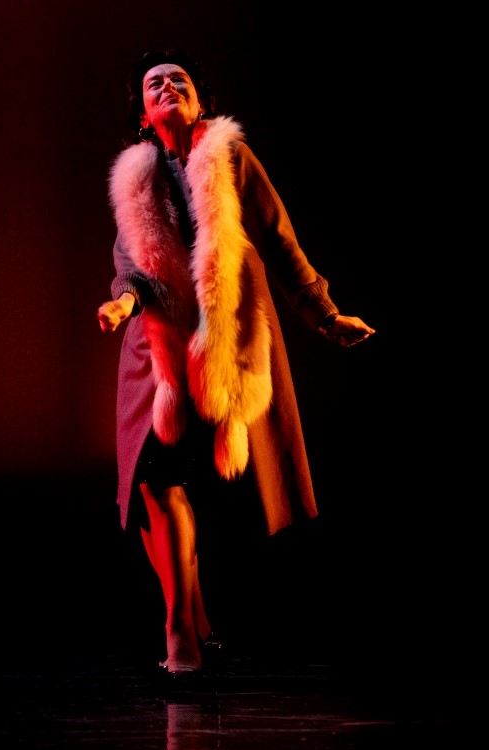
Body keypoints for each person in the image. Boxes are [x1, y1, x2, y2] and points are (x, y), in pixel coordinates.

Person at [96, 48, 375, 682]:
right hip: (155, 355)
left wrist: (326, 314)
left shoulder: (230, 158)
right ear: (143, 113)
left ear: (199, 102)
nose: (168, 86)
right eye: (155, 83)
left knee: (177, 490)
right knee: (153, 487)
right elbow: (130, 269)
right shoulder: (133, 179)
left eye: (180, 80)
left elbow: (280, 240)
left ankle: (187, 627)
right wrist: (122, 305)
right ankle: (184, 625)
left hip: (224, 342)